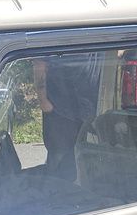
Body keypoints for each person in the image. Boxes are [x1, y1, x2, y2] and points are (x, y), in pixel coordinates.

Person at [33, 52, 101, 180]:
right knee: (59, 163)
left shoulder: (95, 32)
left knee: (87, 161)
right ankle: (56, 195)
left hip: (89, 111)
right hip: (60, 111)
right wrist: (43, 100)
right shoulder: (55, 32)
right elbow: (39, 63)